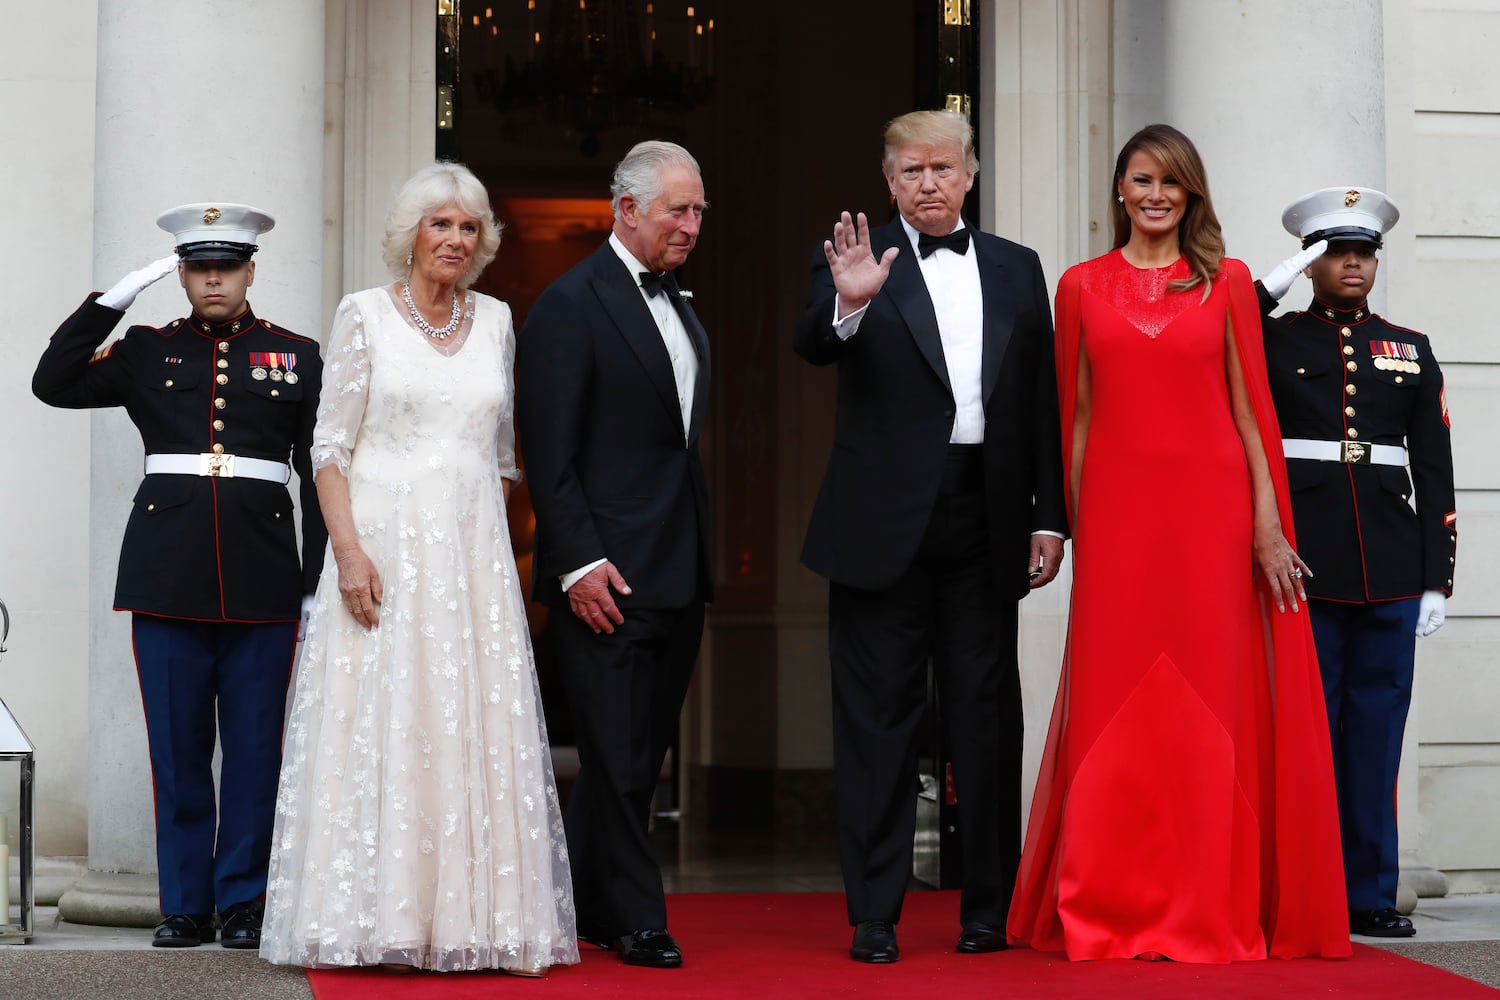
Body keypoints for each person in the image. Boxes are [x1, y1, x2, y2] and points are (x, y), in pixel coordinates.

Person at [1006, 124, 1353, 962]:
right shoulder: (1079, 287)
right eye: (1140, 179)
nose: (1155, 194)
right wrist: (1076, 528)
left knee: (1214, 697)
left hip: (1216, 519)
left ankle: (1208, 899)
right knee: (1110, 696)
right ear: (1118, 190)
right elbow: (1076, 415)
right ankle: (1106, 898)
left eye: (1171, 182)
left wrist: (1268, 527)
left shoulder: (1227, 282)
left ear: (1191, 194)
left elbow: (1250, 415)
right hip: (1120, 525)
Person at [258, 163, 577, 975]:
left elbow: (503, 457)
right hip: (381, 552)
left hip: (470, 561)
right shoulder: (365, 313)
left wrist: (487, 556)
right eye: (441, 224)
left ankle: (473, 921)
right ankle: (369, 917)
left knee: (465, 725)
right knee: (382, 721)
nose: (455, 240)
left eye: (469, 228)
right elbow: (328, 449)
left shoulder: (501, 319)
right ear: (411, 234)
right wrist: (351, 552)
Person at [793, 109, 1066, 965]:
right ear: (888, 179)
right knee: (876, 720)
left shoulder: (1019, 269)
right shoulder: (854, 254)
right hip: (881, 524)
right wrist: (846, 302)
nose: (928, 184)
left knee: (985, 718)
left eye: (943, 169)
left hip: (986, 514)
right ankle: (875, 914)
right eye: (911, 171)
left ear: (972, 173)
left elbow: (1041, 400)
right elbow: (811, 346)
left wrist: (1049, 513)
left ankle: (988, 908)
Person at [32, 205, 327, 949]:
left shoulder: (295, 354)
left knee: (256, 751)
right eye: (199, 268)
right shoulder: (143, 349)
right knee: (178, 748)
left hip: (263, 578)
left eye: (227, 266)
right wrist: (114, 299)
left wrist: (317, 579)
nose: (214, 279)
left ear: (251, 271)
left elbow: (322, 475)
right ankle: (187, 904)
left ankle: (244, 903)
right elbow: (52, 381)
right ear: (182, 276)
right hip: (165, 576)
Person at [515, 140, 711, 970]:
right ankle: (638, 918)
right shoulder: (569, 304)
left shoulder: (685, 303)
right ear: (625, 209)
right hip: (607, 576)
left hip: (679, 566)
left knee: (636, 753)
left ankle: (592, 902)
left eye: (699, 209)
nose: (693, 224)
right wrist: (577, 564)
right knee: (620, 754)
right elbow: (547, 453)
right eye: (678, 209)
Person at [1257, 187, 1456, 939]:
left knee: (1375, 736)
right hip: (1301, 562)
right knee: (1304, 735)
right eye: (1336, 253)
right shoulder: (1274, 337)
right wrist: (1266, 287)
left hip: (1391, 567)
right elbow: (1210, 336)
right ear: (1311, 266)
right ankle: (1301, 888)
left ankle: (1368, 893)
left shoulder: (1409, 345)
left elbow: (1433, 465)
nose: (1352, 265)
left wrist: (1437, 575)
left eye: (1363, 253)